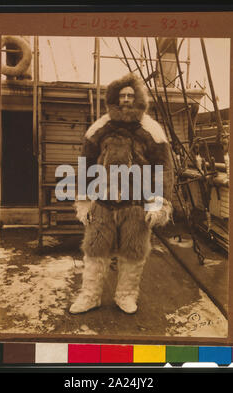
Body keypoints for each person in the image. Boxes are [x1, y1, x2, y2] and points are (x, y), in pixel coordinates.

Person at [69, 73, 174, 314]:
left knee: (133, 253)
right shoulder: (100, 127)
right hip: (102, 204)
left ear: (138, 98)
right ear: (114, 99)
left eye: (130, 95)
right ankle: (90, 296)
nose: (126, 100)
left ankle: (126, 295)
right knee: (95, 252)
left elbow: (163, 170)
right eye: (122, 96)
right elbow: (86, 165)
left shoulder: (152, 130)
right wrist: (84, 201)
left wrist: (158, 203)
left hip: (136, 204)